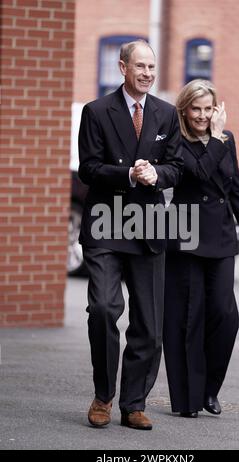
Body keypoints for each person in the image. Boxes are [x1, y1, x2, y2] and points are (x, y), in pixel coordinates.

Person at [78, 40, 183, 430]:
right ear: (122, 67)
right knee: (104, 309)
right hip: (106, 224)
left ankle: (133, 403)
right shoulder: (96, 111)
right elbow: (88, 168)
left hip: (149, 228)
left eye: (152, 67)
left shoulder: (166, 114)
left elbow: (177, 166)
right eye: (140, 66)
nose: (147, 74)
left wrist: (158, 175)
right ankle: (103, 396)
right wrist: (127, 173)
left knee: (149, 324)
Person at [163, 79, 239, 418]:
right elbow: (200, 172)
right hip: (188, 237)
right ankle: (189, 401)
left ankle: (210, 389)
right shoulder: (176, 140)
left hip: (220, 237)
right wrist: (218, 138)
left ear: (215, 108)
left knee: (225, 315)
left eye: (208, 109)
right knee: (189, 319)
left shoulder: (226, 139)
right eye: (197, 108)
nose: (203, 115)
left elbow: (234, 187)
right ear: (184, 109)